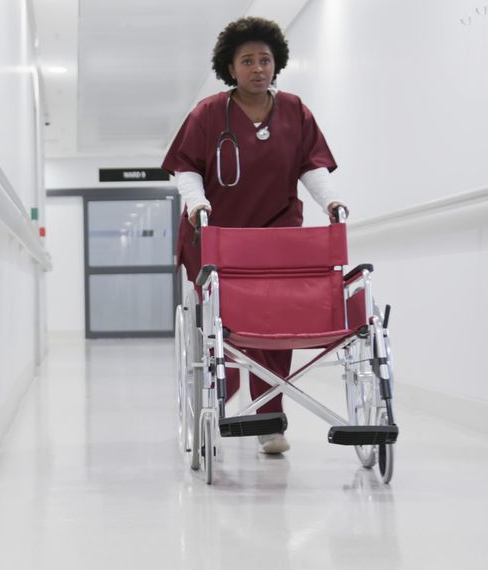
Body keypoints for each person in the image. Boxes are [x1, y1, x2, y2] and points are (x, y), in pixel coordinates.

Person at [162, 16, 346, 455]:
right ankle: (218, 401)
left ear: (276, 63)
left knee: (277, 327)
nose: (258, 68)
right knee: (227, 326)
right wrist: (196, 203)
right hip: (220, 235)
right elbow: (185, 166)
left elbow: (311, 166)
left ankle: (267, 417)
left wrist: (332, 202)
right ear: (231, 66)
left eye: (265, 60)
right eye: (247, 61)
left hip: (279, 234)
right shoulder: (209, 113)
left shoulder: (296, 111)